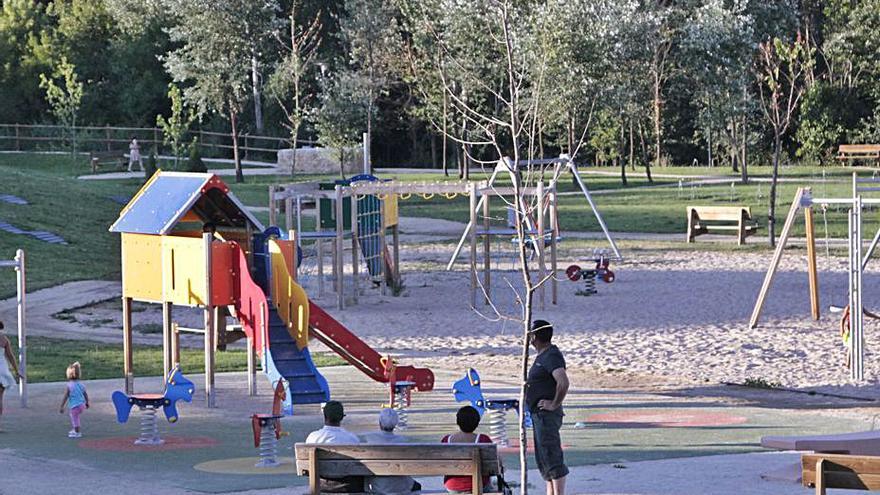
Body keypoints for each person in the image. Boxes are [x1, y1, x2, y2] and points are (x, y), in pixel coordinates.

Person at [526, 319, 570, 495]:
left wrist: (554, 404)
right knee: (543, 458)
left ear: (535, 336)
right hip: (538, 414)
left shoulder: (551, 355)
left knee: (551, 456)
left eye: (531, 335)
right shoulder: (543, 355)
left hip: (546, 415)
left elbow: (563, 382)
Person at [305, 401, 364, 493]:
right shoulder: (352, 439)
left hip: (320, 484)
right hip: (348, 485)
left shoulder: (313, 437)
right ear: (341, 418)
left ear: (325, 416)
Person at [361, 408, 421, 494]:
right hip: (401, 486)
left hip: (377, 485)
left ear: (380, 423)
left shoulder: (369, 438)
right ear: (395, 424)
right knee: (416, 486)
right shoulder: (404, 441)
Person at [441, 406, 492, 493]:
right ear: (477, 422)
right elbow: (494, 465)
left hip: (453, 486)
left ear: (458, 422)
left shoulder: (446, 440)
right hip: (480, 485)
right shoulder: (484, 440)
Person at [59, 361, 89, 438]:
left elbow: (65, 396)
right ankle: (75, 430)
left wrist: (62, 406)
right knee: (76, 417)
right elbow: (85, 394)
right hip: (82, 405)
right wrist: (87, 402)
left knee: (74, 417)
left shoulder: (69, 385)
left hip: (75, 406)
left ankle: (77, 432)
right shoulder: (81, 384)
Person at [0, 321, 20, 431]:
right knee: (0, 399)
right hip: (2, 371)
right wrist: (16, 371)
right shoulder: (4, 339)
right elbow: (10, 356)